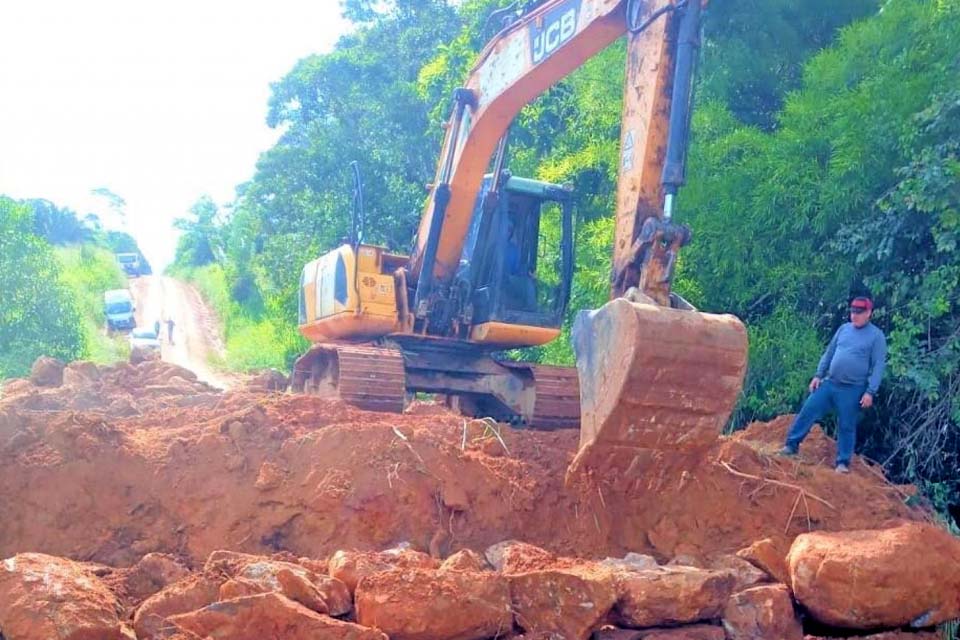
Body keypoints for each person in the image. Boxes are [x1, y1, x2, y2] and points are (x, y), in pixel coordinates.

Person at [779, 296, 887, 474]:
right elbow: (829, 353)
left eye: (859, 312)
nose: (855, 315)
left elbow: (878, 366)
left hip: (853, 388)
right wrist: (818, 375)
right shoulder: (844, 329)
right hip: (830, 383)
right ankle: (791, 446)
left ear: (869, 313)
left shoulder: (876, 336)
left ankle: (842, 462)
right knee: (808, 410)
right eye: (853, 312)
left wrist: (870, 392)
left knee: (846, 425)